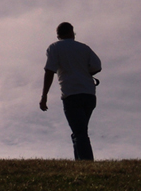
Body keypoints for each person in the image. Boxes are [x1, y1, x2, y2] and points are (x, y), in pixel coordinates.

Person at [39, 22, 102, 161]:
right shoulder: (84, 48)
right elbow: (97, 66)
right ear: (72, 32)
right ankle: (79, 164)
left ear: (58, 35)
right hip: (89, 94)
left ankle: (86, 164)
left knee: (79, 132)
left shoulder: (55, 47)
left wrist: (44, 96)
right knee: (79, 131)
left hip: (71, 94)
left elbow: (50, 71)